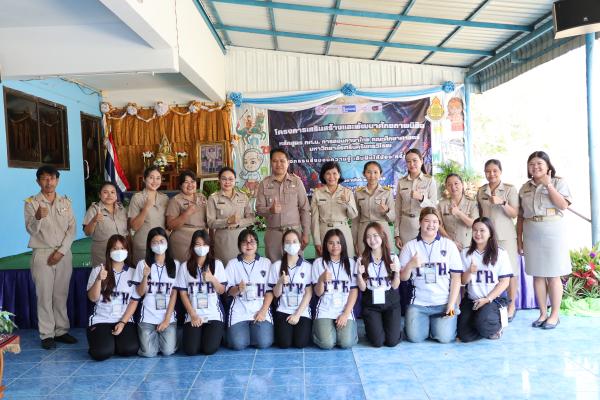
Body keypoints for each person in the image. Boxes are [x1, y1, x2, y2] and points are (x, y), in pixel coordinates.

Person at [24, 165, 78, 349]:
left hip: (63, 253)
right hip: (42, 253)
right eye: (44, 178)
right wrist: (38, 217)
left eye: (52, 178)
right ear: (38, 181)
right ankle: (47, 334)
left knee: (61, 294)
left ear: (57, 180)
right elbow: (30, 230)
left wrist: (61, 251)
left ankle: (61, 331)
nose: (49, 182)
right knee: (44, 295)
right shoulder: (31, 203)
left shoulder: (65, 202)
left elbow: (72, 229)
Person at [517, 151, 571, 329]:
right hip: (531, 232)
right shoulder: (524, 188)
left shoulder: (558, 182)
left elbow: (563, 205)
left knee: (553, 274)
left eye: (539, 163)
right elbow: (520, 217)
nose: (535, 167)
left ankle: (554, 315)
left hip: (552, 231)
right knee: (537, 275)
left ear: (548, 165)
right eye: (531, 164)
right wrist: (519, 240)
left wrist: (549, 185)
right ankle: (542, 313)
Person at [399, 207, 462, 343]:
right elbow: (402, 277)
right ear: (420, 222)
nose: (431, 225)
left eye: (435, 222)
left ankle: (436, 326)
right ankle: (427, 326)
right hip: (418, 304)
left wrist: (451, 305)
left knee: (445, 338)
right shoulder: (410, 246)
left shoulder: (449, 245)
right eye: (427, 221)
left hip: (444, 303)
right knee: (415, 338)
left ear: (439, 224)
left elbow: (456, 278)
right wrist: (410, 265)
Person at [477, 159, 520, 321]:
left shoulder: (509, 189)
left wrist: (502, 202)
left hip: (505, 237)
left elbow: (514, 213)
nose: (491, 174)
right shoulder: (481, 191)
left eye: (495, 170)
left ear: (500, 172)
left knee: (511, 271)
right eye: (488, 171)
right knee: (488, 269)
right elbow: (480, 215)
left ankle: (512, 305)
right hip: (487, 238)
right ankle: (491, 303)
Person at [458, 218, 512, 342]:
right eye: (475, 230)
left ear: (490, 233)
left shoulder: (501, 253)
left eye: (482, 230)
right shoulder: (466, 253)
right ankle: (480, 322)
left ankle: (497, 325)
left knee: (483, 323)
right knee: (464, 336)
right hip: (472, 300)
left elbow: (505, 282)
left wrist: (487, 299)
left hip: (493, 299)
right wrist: (469, 272)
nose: (478, 234)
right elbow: (463, 281)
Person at [86, 234, 139, 360]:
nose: (119, 251)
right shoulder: (99, 270)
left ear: (127, 251)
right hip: (102, 319)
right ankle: (104, 341)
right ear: (109, 251)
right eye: (115, 248)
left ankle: (113, 342)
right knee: (101, 353)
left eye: (122, 248)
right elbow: (92, 298)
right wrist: (99, 279)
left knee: (130, 349)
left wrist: (122, 322)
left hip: (124, 320)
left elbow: (134, 301)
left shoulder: (133, 272)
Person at [175, 230, 227, 355]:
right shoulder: (185, 267)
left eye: (204, 244)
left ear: (209, 246)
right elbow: (183, 294)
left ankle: (215, 334)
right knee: (191, 350)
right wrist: (193, 314)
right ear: (192, 246)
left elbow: (222, 290)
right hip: (194, 314)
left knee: (209, 349)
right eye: (198, 244)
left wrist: (212, 279)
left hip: (213, 314)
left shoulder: (217, 264)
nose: (201, 248)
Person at [131, 227, 179, 357]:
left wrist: (167, 320)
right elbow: (139, 293)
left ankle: (168, 336)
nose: (159, 245)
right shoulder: (143, 264)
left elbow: (174, 294)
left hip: (167, 316)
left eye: (161, 241)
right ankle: (154, 339)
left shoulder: (175, 265)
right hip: (147, 316)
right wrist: (145, 277)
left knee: (168, 351)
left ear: (167, 243)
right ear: (149, 245)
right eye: (155, 242)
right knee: (149, 353)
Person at [256, 148, 310, 261]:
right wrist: (270, 210)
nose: (279, 164)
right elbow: (259, 209)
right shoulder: (264, 184)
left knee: (295, 266)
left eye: (282, 161)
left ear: (288, 162)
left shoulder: (297, 182)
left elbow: (304, 209)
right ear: (271, 163)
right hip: (273, 235)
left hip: (294, 234)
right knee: (274, 268)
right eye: (275, 161)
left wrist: (306, 233)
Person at [225, 229, 274, 350]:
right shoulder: (232, 264)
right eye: (244, 242)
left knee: (264, 342)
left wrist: (263, 311)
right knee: (238, 344)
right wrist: (238, 288)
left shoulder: (266, 263)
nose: (249, 245)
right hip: (239, 311)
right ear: (239, 245)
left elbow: (269, 292)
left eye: (252, 241)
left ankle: (251, 332)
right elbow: (228, 291)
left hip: (259, 309)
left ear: (257, 244)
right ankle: (241, 333)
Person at [356, 222, 402, 347]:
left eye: (375, 235)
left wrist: (396, 272)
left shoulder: (392, 257)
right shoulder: (362, 259)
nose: (372, 240)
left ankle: (391, 329)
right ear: (365, 240)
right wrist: (359, 275)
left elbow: (395, 286)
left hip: (390, 301)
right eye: (368, 237)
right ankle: (373, 329)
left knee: (392, 342)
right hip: (371, 303)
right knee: (377, 342)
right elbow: (363, 288)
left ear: (382, 236)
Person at [312, 229, 359, 349]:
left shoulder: (351, 263)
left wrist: (345, 314)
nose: (335, 246)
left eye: (338, 242)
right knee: (326, 344)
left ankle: (343, 331)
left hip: (344, 308)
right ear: (325, 245)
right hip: (325, 309)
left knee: (346, 343)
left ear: (343, 244)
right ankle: (319, 330)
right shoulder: (319, 263)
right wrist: (321, 279)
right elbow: (318, 293)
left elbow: (354, 291)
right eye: (331, 243)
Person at [269, 229, 313, 349]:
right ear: (283, 245)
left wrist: (297, 314)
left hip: (302, 311)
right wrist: (280, 282)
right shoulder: (276, 266)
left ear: (300, 244)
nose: (291, 245)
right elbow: (276, 294)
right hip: (283, 309)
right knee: (284, 343)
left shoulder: (307, 266)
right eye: (288, 242)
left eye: (294, 241)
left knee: (301, 343)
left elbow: (308, 293)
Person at [207, 167, 255, 263]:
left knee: (243, 266)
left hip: (242, 239)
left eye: (230, 179)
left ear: (235, 180)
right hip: (224, 240)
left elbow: (251, 218)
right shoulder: (213, 198)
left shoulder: (243, 196)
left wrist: (238, 223)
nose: (227, 182)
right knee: (226, 266)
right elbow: (210, 223)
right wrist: (227, 221)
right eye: (224, 179)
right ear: (219, 180)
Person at [311, 161, 358, 257]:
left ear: (339, 175)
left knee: (346, 262)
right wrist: (317, 241)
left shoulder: (347, 192)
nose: (331, 177)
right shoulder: (317, 193)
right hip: (324, 232)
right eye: (328, 173)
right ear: (323, 176)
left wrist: (347, 202)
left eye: (334, 173)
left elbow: (353, 215)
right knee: (325, 263)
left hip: (343, 232)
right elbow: (314, 220)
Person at [394, 149, 438, 251]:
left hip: (424, 225)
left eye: (415, 160)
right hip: (405, 226)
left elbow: (433, 207)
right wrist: (397, 235)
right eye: (408, 161)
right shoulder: (401, 182)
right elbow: (397, 210)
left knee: (424, 255)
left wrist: (422, 198)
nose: (412, 164)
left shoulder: (429, 180)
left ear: (421, 161)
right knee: (406, 255)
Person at [353, 161, 395, 255]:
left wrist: (387, 210)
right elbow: (355, 220)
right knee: (364, 260)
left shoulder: (387, 192)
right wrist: (355, 241)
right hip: (364, 232)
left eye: (375, 172)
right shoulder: (358, 193)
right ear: (364, 174)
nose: (372, 176)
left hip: (382, 231)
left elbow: (392, 218)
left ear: (380, 174)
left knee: (385, 259)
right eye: (369, 172)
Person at [128, 166, 169, 263]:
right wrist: (146, 208)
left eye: (158, 178)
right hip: (143, 245)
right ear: (144, 179)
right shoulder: (137, 198)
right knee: (143, 271)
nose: (155, 181)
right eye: (151, 177)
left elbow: (168, 223)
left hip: (161, 245)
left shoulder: (165, 198)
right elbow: (134, 226)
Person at [83, 182, 129, 267]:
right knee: (103, 275)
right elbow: (87, 232)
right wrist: (94, 220)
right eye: (105, 192)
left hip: (121, 255)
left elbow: (127, 231)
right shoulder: (94, 209)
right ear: (99, 195)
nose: (109, 195)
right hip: (102, 256)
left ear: (116, 195)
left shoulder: (122, 209)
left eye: (112, 192)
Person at [166, 170, 208, 263]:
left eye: (192, 181)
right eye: (186, 182)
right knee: (184, 267)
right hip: (182, 241)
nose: (190, 185)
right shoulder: (175, 200)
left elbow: (208, 220)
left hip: (201, 240)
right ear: (180, 185)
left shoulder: (202, 197)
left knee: (200, 267)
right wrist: (187, 213)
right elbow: (170, 225)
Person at [438, 174, 479, 251]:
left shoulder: (472, 203)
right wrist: (451, 242)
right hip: (448, 245)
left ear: (462, 185)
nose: (453, 187)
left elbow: (475, 224)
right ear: (446, 187)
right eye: (449, 185)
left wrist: (459, 213)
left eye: (456, 183)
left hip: (467, 246)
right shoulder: (441, 204)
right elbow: (439, 226)